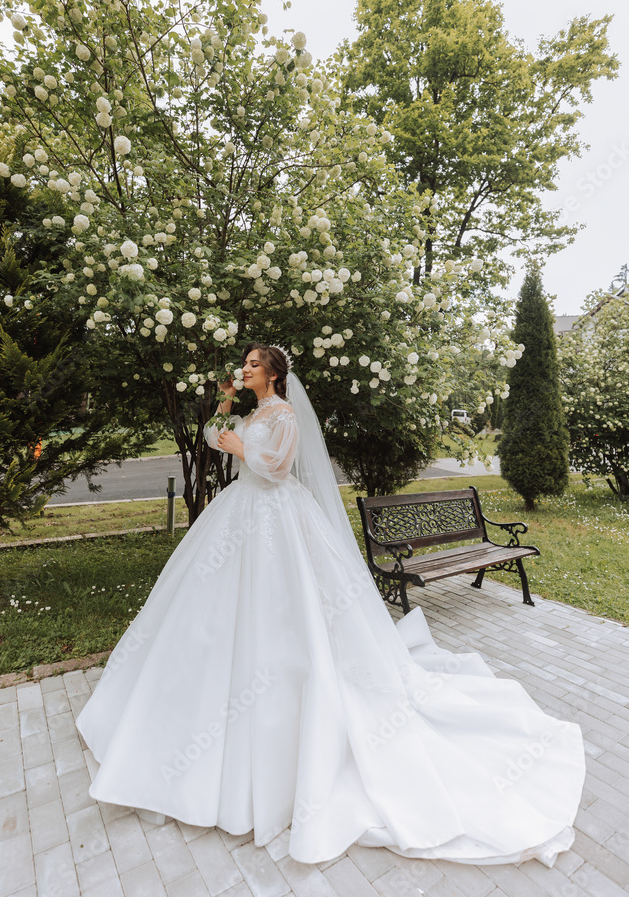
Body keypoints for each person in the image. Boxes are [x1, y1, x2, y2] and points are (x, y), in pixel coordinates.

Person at [75, 342, 585, 867]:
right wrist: (226, 409)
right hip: (238, 514)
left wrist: (241, 448)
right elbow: (212, 439)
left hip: (275, 515)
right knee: (208, 611)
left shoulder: (285, 415)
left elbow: (277, 468)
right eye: (244, 365)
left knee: (284, 612)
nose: (243, 370)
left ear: (272, 375)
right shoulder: (251, 410)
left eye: (252, 366)